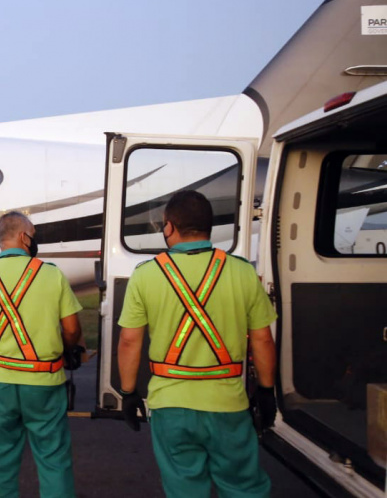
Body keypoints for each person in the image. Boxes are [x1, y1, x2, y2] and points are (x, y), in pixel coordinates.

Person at [117, 190, 278, 498]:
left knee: (185, 490)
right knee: (244, 488)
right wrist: (267, 391)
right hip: (228, 405)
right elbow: (262, 339)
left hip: (170, 406)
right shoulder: (243, 272)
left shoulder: (146, 274)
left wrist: (127, 393)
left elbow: (128, 340)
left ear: (168, 227)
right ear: (210, 227)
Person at [0, 211, 82, 498]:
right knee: (53, 457)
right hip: (44, 382)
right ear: (23, 237)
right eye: (33, 234)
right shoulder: (52, 274)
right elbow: (73, 329)